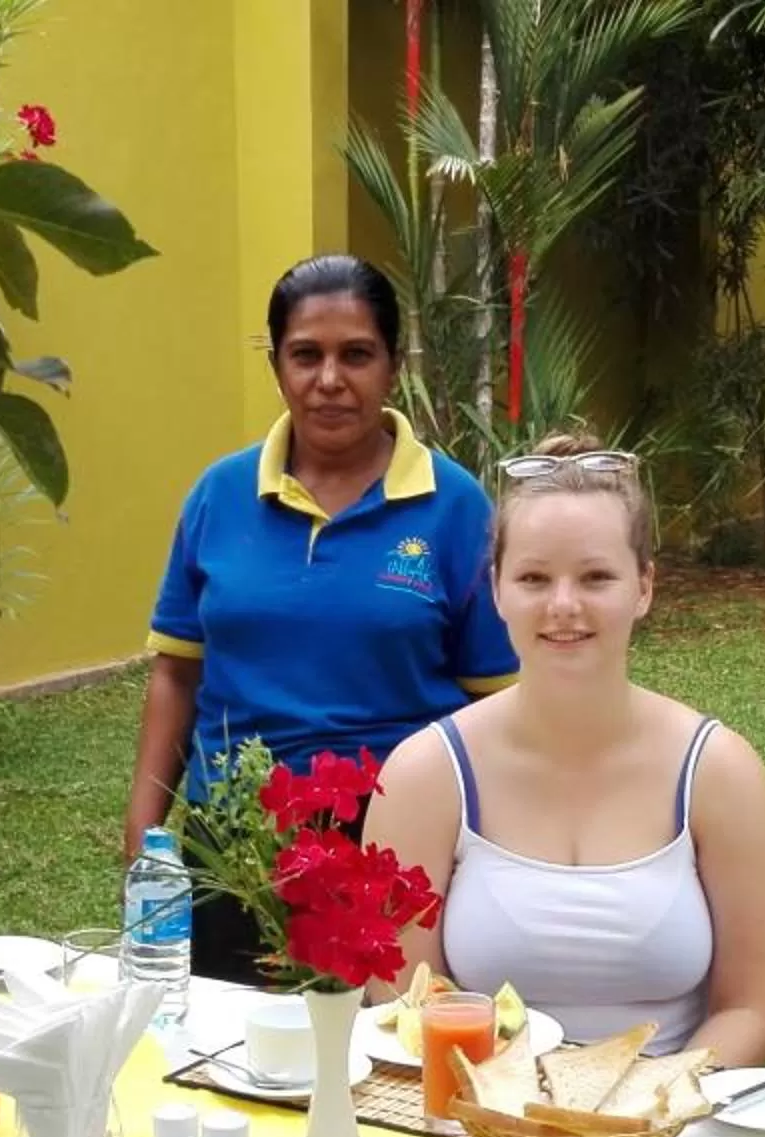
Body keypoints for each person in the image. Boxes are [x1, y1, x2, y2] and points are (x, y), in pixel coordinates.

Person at [126, 254, 516, 982]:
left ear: (394, 364)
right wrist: (144, 835)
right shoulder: (219, 495)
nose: (330, 379)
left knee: (381, 1057)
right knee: (231, 1056)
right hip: (234, 846)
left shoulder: (456, 508)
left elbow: (493, 706)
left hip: (396, 845)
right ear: (276, 364)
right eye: (306, 355)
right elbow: (177, 674)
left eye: (357, 355)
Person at [359, 433, 765, 1063]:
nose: (564, 606)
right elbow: (401, 998)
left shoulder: (720, 773)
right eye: (534, 578)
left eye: (596, 577)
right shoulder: (427, 775)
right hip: (474, 1120)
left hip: (667, 1128)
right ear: (496, 590)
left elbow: (748, 1008)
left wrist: (647, 1106)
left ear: (643, 587)